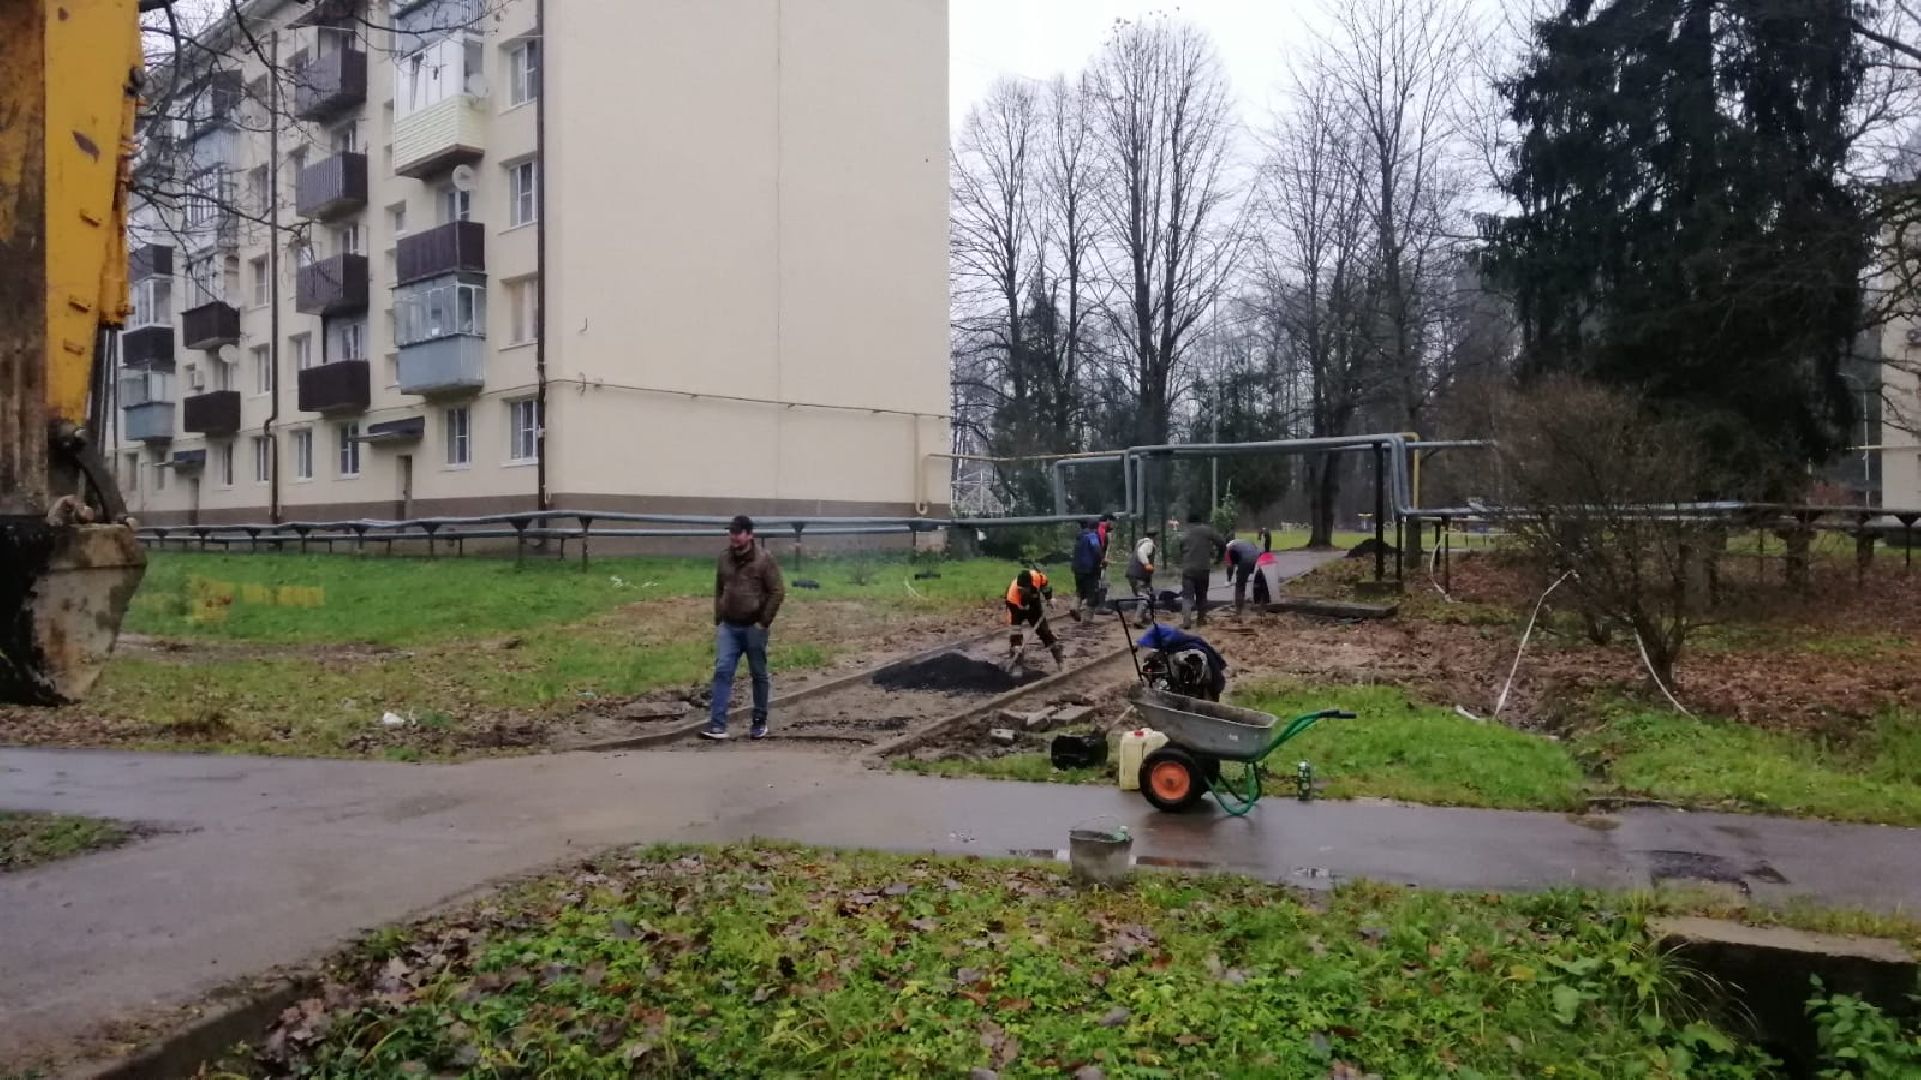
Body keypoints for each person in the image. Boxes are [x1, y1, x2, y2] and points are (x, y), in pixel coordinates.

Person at [703, 515, 785, 741]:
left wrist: (763, 622)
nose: (733, 537)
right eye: (731, 532)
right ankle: (717, 725)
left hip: (753, 627)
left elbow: (777, 591)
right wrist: (719, 617)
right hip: (729, 626)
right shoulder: (724, 558)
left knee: (758, 674)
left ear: (749, 534)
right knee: (722, 671)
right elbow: (720, 587)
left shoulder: (764, 559)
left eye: (738, 533)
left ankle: (759, 722)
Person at [1004, 566, 1065, 669]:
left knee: (1043, 631)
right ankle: (1017, 663)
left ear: (1029, 585)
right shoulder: (1012, 596)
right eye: (1019, 589)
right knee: (1015, 636)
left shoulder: (1038, 578)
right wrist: (1016, 644)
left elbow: (1045, 587)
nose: (1021, 591)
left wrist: (1049, 599)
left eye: (1023, 590)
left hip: (1034, 605)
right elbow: (1014, 623)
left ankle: (1057, 654)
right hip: (1017, 607)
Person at [1179, 512, 1223, 628]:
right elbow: (1222, 543)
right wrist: (1219, 558)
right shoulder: (1207, 530)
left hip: (1188, 569)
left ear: (1189, 522)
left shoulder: (1185, 533)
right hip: (1203, 569)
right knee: (1202, 595)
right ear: (1200, 521)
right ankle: (1201, 620)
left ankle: (1186, 620)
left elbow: (1180, 548)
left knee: (1187, 596)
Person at [1070, 519, 1104, 617]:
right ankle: (1087, 619)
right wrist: (1102, 559)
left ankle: (1074, 607)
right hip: (1089, 570)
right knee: (1093, 594)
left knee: (1080, 590)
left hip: (1077, 569)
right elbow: (1096, 548)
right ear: (1096, 527)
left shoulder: (1080, 537)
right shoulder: (1092, 536)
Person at [1125, 531, 1159, 627]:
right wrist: (1146, 564)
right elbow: (1141, 553)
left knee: (1141, 595)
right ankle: (1138, 619)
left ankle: (1142, 616)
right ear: (1154, 537)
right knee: (1144, 597)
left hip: (1132, 574)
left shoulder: (1140, 543)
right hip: (1139, 575)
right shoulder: (1149, 544)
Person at [1224, 534, 1262, 615]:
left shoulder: (1228, 547)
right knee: (1258, 581)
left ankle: (1239, 609)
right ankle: (1260, 604)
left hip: (1246, 559)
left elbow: (1230, 566)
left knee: (1240, 585)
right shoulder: (1240, 542)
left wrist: (1228, 580)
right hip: (1258, 556)